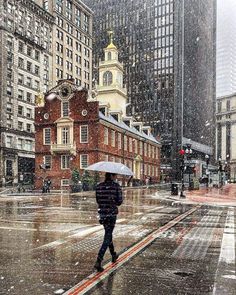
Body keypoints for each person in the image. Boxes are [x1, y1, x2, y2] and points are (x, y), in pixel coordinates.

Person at [94, 172, 123, 272]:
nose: (116, 177)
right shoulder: (116, 186)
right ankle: (99, 260)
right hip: (111, 214)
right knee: (107, 236)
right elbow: (119, 202)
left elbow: (98, 200)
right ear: (111, 176)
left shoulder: (99, 186)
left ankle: (113, 254)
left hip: (102, 214)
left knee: (108, 233)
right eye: (115, 175)